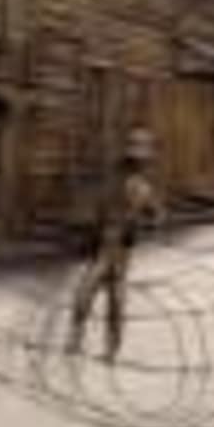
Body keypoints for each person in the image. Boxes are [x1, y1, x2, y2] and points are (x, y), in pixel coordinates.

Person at [65, 125, 162, 362]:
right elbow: (98, 207)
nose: (138, 155)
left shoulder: (145, 186)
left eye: (143, 148)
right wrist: (92, 231)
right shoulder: (113, 178)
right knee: (85, 292)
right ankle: (76, 338)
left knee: (116, 303)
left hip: (122, 253)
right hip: (103, 247)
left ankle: (111, 349)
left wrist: (143, 222)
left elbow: (156, 214)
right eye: (134, 146)